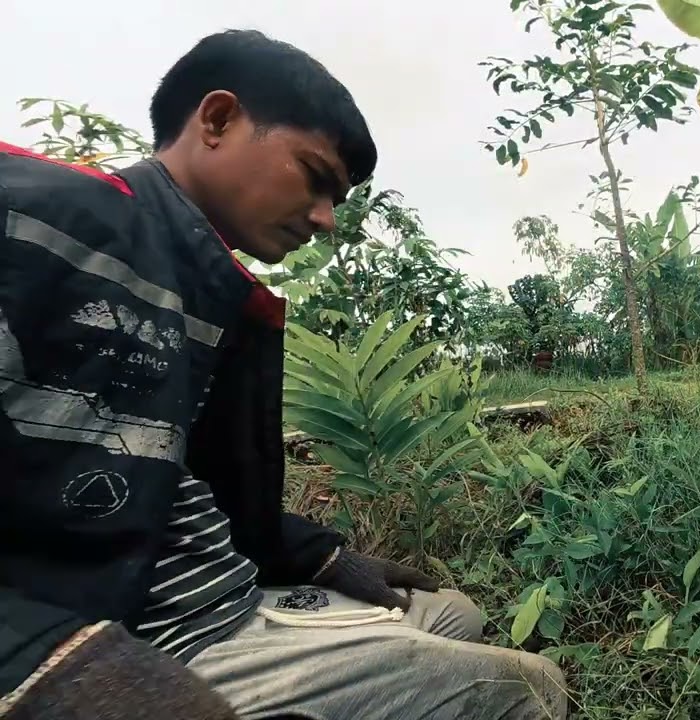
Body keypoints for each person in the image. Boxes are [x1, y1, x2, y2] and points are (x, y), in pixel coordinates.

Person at [0, 29, 567, 720]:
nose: (327, 220)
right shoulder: (31, 216)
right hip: (129, 644)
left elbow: (201, 493)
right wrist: (46, 666)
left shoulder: (223, 302)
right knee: (524, 689)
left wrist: (322, 557)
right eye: (314, 176)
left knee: (454, 615)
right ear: (217, 120)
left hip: (228, 599)